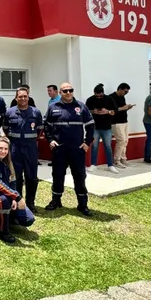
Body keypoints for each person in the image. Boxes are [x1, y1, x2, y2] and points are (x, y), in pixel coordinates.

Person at [44, 82, 95, 216]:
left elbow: (90, 125)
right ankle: (56, 201)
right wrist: (51, 140)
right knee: (57, 176)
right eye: (65, 91)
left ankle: (82, 204)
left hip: (77, 150)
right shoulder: (53, 107)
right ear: (60, 93)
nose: (68, 93)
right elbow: (47, 126)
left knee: (79, 176)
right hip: (59, 150)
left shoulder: (81, 106)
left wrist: (87, 143)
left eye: (70, 90)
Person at [0, 137, 36, 243]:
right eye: (0, 148)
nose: (3, 151)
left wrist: (14, 199)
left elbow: (13, 181)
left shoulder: (8, 161)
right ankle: (1, 231)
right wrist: (17, 197)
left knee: (29, 219)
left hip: (8, 195)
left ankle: (7, 218)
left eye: (6, 149)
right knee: (4, 200)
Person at [4, 87, 44, 211]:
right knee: (16, 177)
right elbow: (6, 129)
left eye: (25, 96)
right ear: (16, 98)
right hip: (15, 149)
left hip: (31, 148)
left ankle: (31, 203)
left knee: (31, 177)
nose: (22, 98)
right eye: (20, 96)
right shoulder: (9, 112)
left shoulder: (35, 112)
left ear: (28, 97)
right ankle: (18, 202)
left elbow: (40, 130)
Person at [84, 83, 119, 174]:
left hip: (107, 126)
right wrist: (93, 111)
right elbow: (85, 112)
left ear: (103, 93)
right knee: (94, 146)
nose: (98, 98)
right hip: (95, 126)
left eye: (100, 96)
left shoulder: (109, 99)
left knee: (108, 146)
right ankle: (93, 164)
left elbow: (115, 111)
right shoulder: (90, 100)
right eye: (97, 96)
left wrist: (108, 111)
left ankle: (110, 165)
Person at [108, 83, 134, 168]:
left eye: (127, 92)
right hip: (116, 122)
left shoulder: (122, 97)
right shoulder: (111, 97)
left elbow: (122, 108)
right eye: (125, 92)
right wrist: (123, 108)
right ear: (120, 89)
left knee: (125, 140)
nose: (125, 93)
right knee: (121, 140)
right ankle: (117, 160)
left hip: (124, 121)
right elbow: (112, 110)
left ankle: (123, 159)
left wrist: (128, 107)